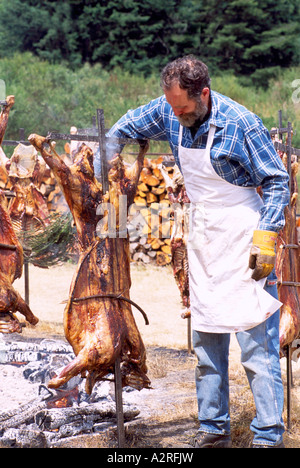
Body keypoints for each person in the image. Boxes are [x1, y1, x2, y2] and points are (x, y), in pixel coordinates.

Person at [106, 55, 290, 448]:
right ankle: (213, 428)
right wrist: (108, 151)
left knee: (257, 349)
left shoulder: (241, 123)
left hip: (245, 233)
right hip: (204, 235)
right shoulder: (168, 108)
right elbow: (123, 127)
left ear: (203, 94)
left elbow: (278, 181)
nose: (176, 114)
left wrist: (266, 236)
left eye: (184, 108)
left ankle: (269, 436)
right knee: (207, 344)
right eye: (172, 106)